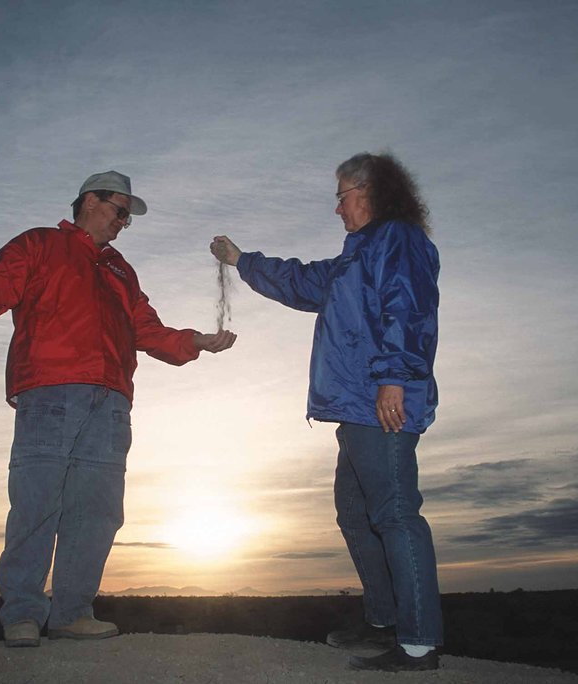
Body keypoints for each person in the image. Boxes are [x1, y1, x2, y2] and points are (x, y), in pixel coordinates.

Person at [0, 170, 237, 648]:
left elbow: (146, 327)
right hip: (49, 391)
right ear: (90, 203)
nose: (124, 222)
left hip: (112, 401)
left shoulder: (120, 268)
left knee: (97, 511)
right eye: (120, 211)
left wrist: (195, 342)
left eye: (127, 216)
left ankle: (72, 612)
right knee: (37, 503)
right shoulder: (39, 244)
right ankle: (22, 614)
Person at [210, 152, 442, 672]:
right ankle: (383, 622)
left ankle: (419, 644)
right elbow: (299, 281)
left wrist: (393, 379)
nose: (337, 208)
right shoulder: (352, 259)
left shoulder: (398, 240)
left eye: (341, 195)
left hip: (383, 401)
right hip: (356, 407)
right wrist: (241, 259)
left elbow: (410, 308)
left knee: (397, 514)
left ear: (370, 191)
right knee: (356, 515)